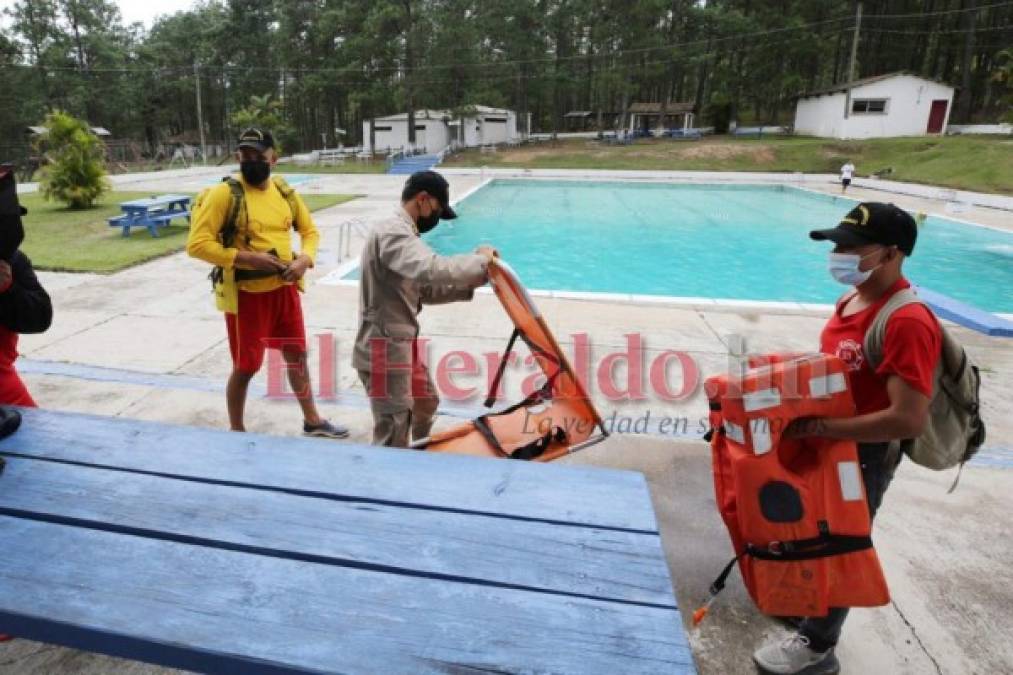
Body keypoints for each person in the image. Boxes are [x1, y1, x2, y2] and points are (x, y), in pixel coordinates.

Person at [752, 202, 941, 675]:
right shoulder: (855, 298)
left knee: (840, 543)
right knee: (813, 532)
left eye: (852, 247)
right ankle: (809, 607)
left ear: (892, 253)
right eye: (837, 244)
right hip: (835, 446)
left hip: (865, 455)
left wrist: (821, 428)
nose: (839, 254)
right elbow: (845, 366)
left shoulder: (907, 321)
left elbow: (906, 418)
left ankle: (818, 647)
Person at [187, 128, 348, 439]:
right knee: (246, 366)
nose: (251, 161)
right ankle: (237, 429)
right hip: (247, 296)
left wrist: (305, 260)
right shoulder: (225, 194)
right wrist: (247, 259)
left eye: (258, 156)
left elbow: (310, 232)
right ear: (238, 158)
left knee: (296, 355)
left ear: (273, 158)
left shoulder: (284, 192)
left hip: (285, 291)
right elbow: (197, 244)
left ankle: (312, 420)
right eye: (245, 155)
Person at [353, 170, 495, 447]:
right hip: (383, 349)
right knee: (393, 430)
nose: (437, 218)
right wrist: (479, 261)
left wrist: (474, 282)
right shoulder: (392, 231)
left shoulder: (405, 233)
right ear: (423, 199)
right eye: (438, 210)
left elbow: (422, 290)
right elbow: (429, 268)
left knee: (426, 402)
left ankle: (416, 454)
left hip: (401, 344)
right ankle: (390, 476)